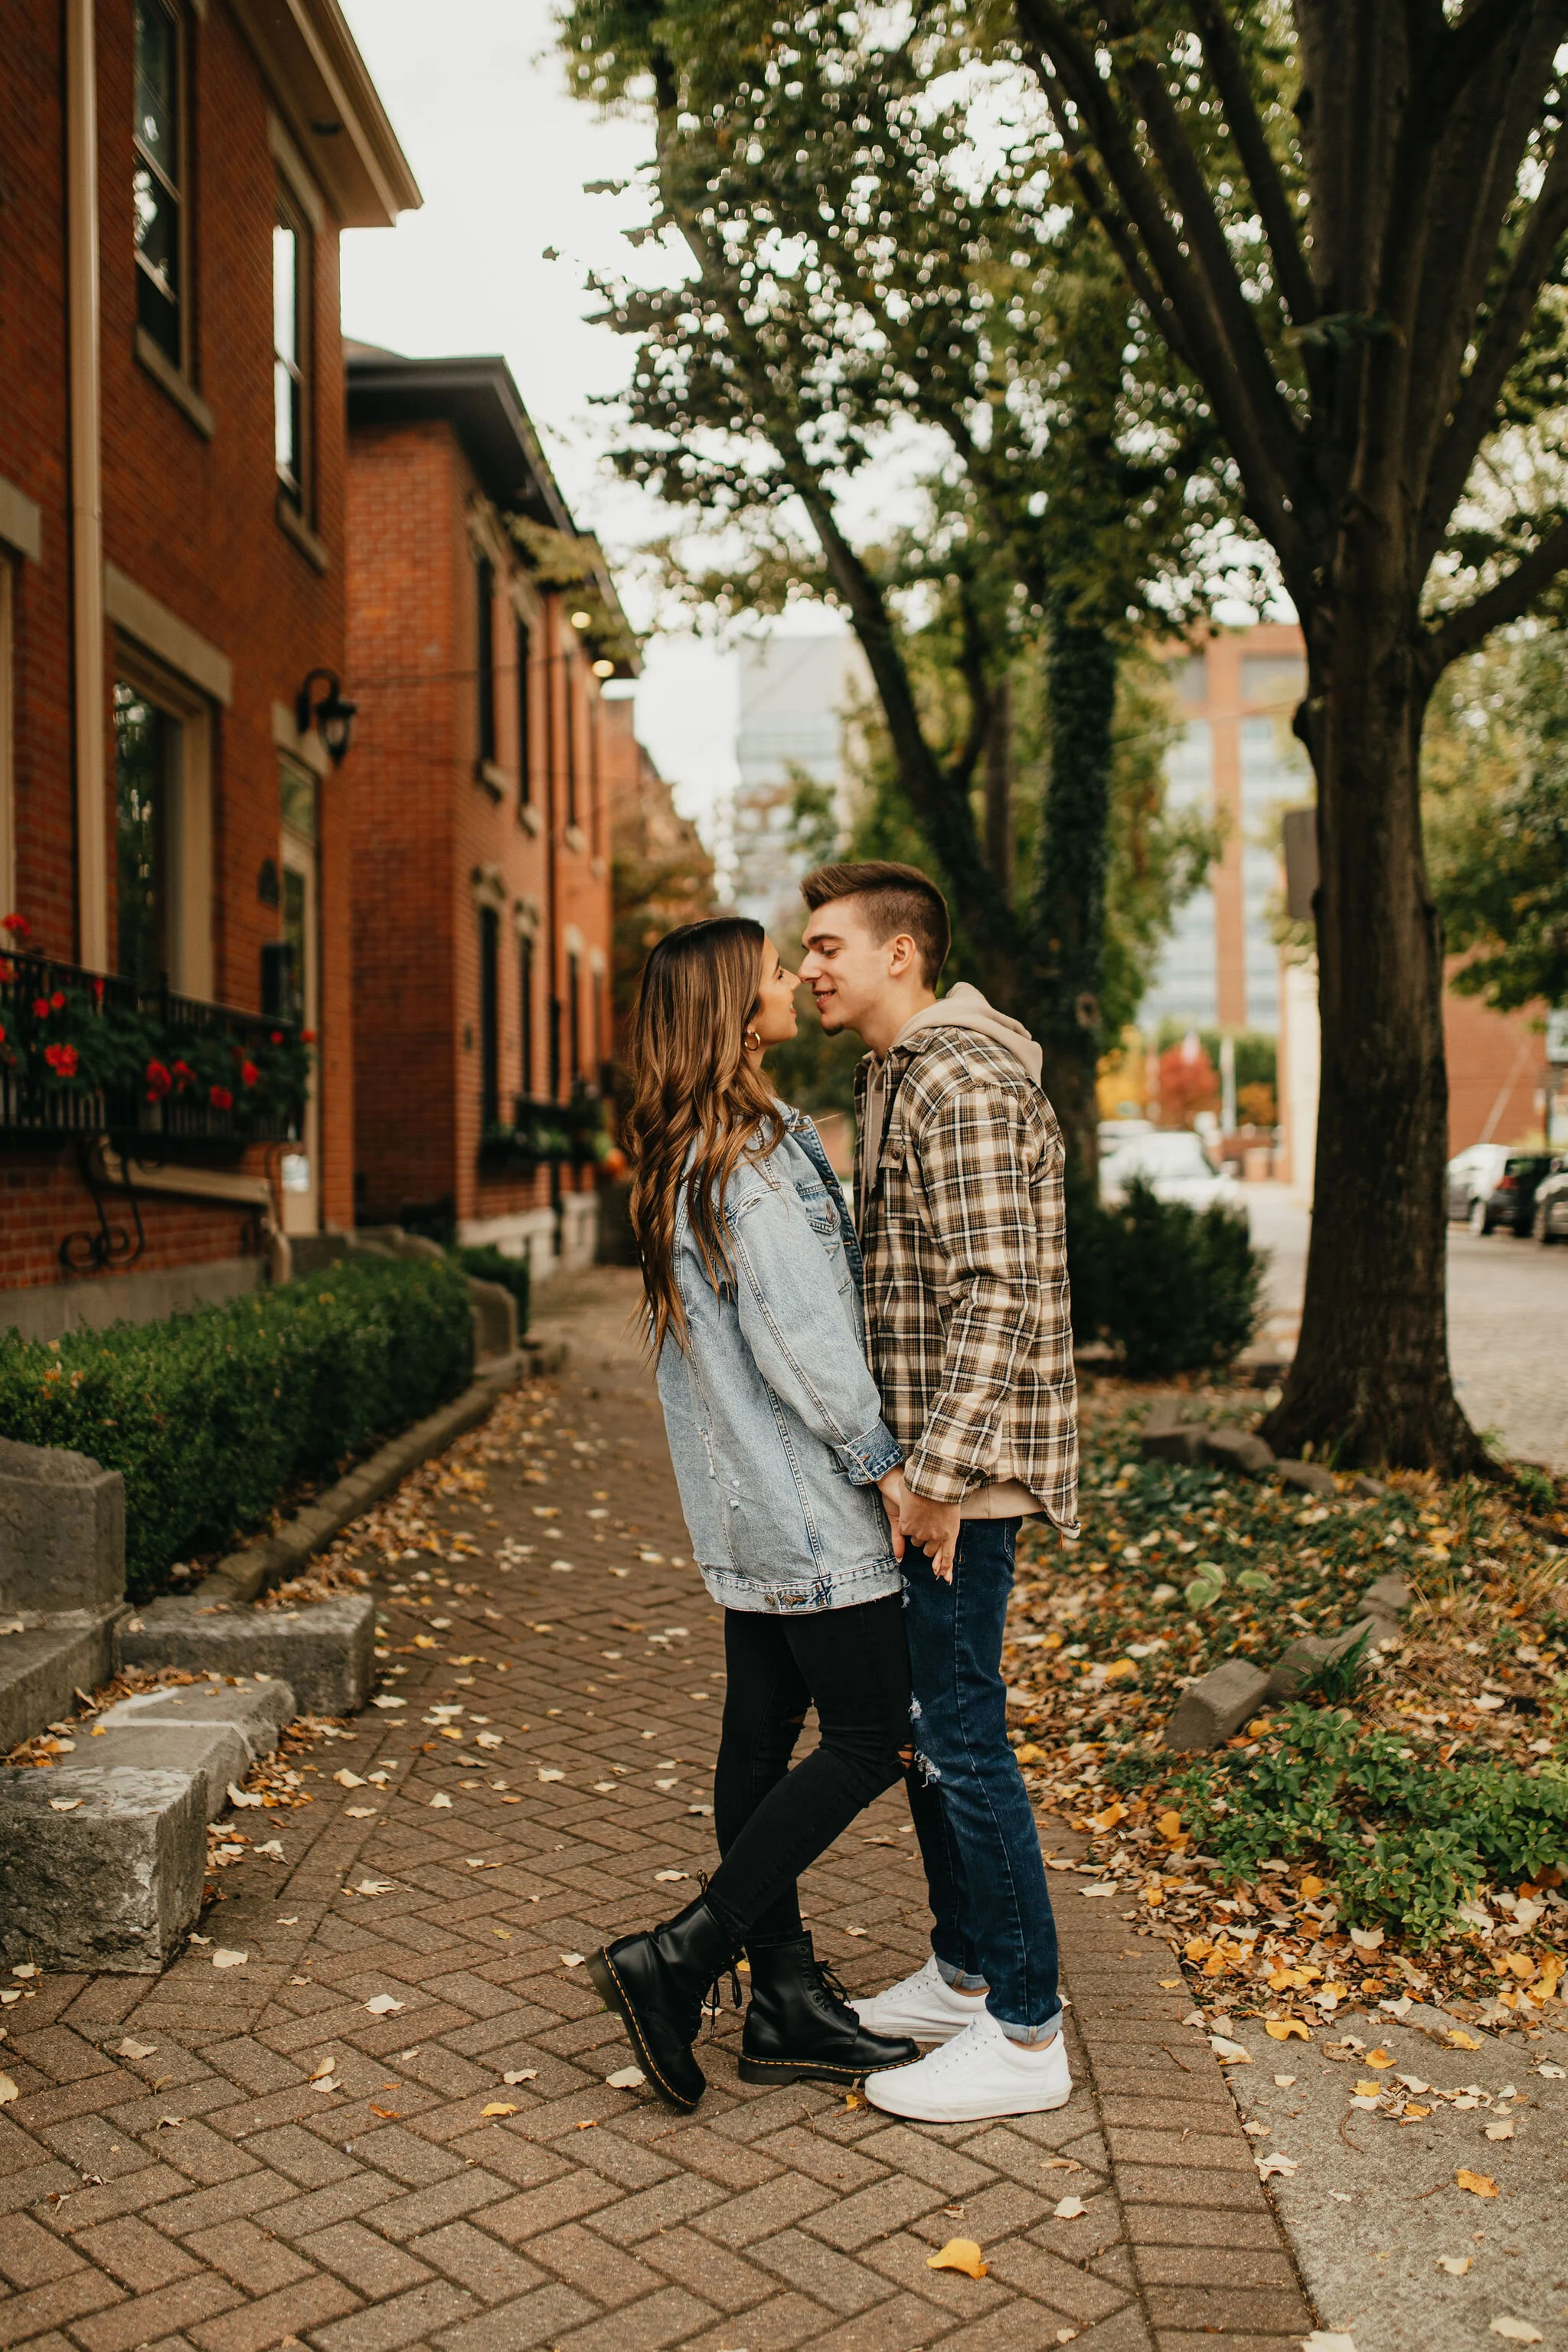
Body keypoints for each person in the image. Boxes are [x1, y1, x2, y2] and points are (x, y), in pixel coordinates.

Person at [588, 915, 922, 2112]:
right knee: (875, 1734)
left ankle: (781, 1995)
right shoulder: (744, 1155)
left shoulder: (708, 1144)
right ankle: (679, 1959)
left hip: (748, 1508)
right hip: (808, 1501)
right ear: (734, 1004)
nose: (792, 980)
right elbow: (800, 1338)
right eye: (775, 968)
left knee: (757, 1744)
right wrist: (881, 1458)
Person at [797, 861, 1080, 2124]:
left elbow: (1000, 1292)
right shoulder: (898, 1073)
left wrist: (945, 1477)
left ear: (899, 954)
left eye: (825, 946)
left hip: (962, 1481)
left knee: (963, 1734)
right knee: (933, 1727)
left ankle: (1025, 2037)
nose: (807, 969)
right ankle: (966, 1978)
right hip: (930, 1474)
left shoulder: (956, 1079)